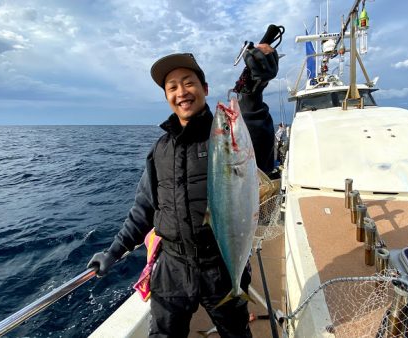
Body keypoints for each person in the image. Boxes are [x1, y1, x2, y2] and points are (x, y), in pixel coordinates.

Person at [87, 44, 279, 338]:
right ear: (166, 97)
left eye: (189, 83)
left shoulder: (224, 134)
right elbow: (143, 210)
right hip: (172, 267)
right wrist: (114, 252)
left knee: (236, 333)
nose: (181, 92)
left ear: (204, 87)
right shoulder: (160, 150)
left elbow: (257, 136)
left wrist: (254, 88)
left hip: (221, 266)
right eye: (172, 87)